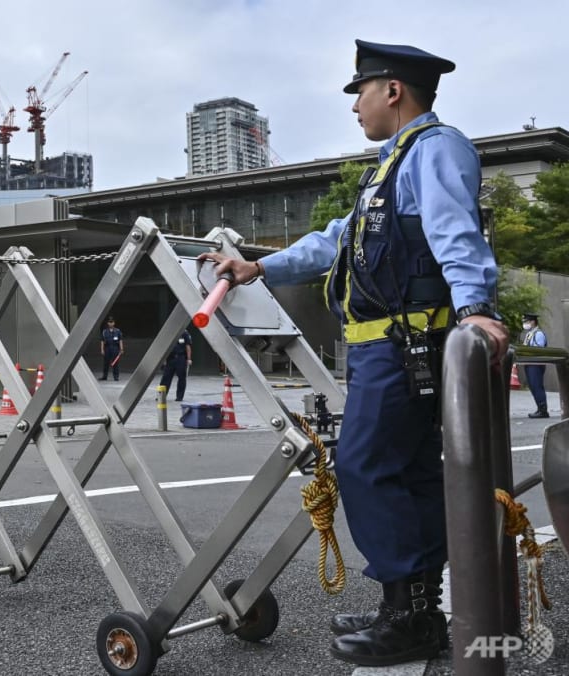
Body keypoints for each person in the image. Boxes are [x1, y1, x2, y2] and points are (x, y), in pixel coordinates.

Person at [200, 40, 509, 667]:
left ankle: (408, 614)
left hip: (406, 346)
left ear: (392, 90)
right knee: (412, 472)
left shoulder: (434, 148)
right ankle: (416, 608)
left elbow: (455, 229)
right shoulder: (388, 167)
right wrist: (258, 266)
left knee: (367, 466)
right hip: (390, 349)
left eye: (361, 91)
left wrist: (476, 306)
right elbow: (334, 241)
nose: (356, 105)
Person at [522, 312, 549, 418]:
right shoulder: (529, 334)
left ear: (533, 322)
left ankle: (543, 410)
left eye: (526, 321)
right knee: (533, 386)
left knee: (537, 386)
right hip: (529, 363)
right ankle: (539, 408)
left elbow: (538, 349)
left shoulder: (538, 334)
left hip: (536, 364)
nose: (525, 324)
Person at [159, 330, 192, 401]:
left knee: (182, 378)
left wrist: (189, 359)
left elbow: (188, 346)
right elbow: (164, 346)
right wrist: (164, 360)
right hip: (170, 358)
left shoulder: (184, 333)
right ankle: (161, 396)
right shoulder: (169, 332)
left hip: (181, 358)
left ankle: (179, 397)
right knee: (166, 377)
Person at [99, 316, 124, 380]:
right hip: (107, 348)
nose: (111, 323)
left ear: (114, 323)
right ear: (108, 323)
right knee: (106, 363)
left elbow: (120, 340)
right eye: (109, 322)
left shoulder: (117, 331)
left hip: (115, 348)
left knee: (115, 363)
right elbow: (102, 341)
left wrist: (121, 348)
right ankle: (104, 376)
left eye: (112, 322)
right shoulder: (104, 331)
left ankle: (116, 377)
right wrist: (102, 349)